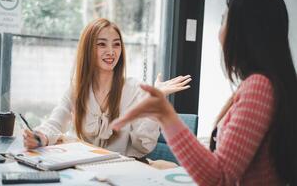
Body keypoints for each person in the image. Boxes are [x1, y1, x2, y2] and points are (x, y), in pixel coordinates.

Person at [111, 0, 297, 185]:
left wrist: (166, 116)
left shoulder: (259, 87)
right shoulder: (265, 84)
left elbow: (219, 177)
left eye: (224, 20)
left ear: (244, 30)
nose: (219, 33)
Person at [23, 18, 192, 158]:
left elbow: (143, 147)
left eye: (116, 45)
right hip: (82, 168)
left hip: (120, 172)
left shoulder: (135, 89)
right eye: (102, 44)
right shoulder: (77, 89)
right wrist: (39, 138)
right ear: (88, 50)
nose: (111, 51)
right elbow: (55, 122)